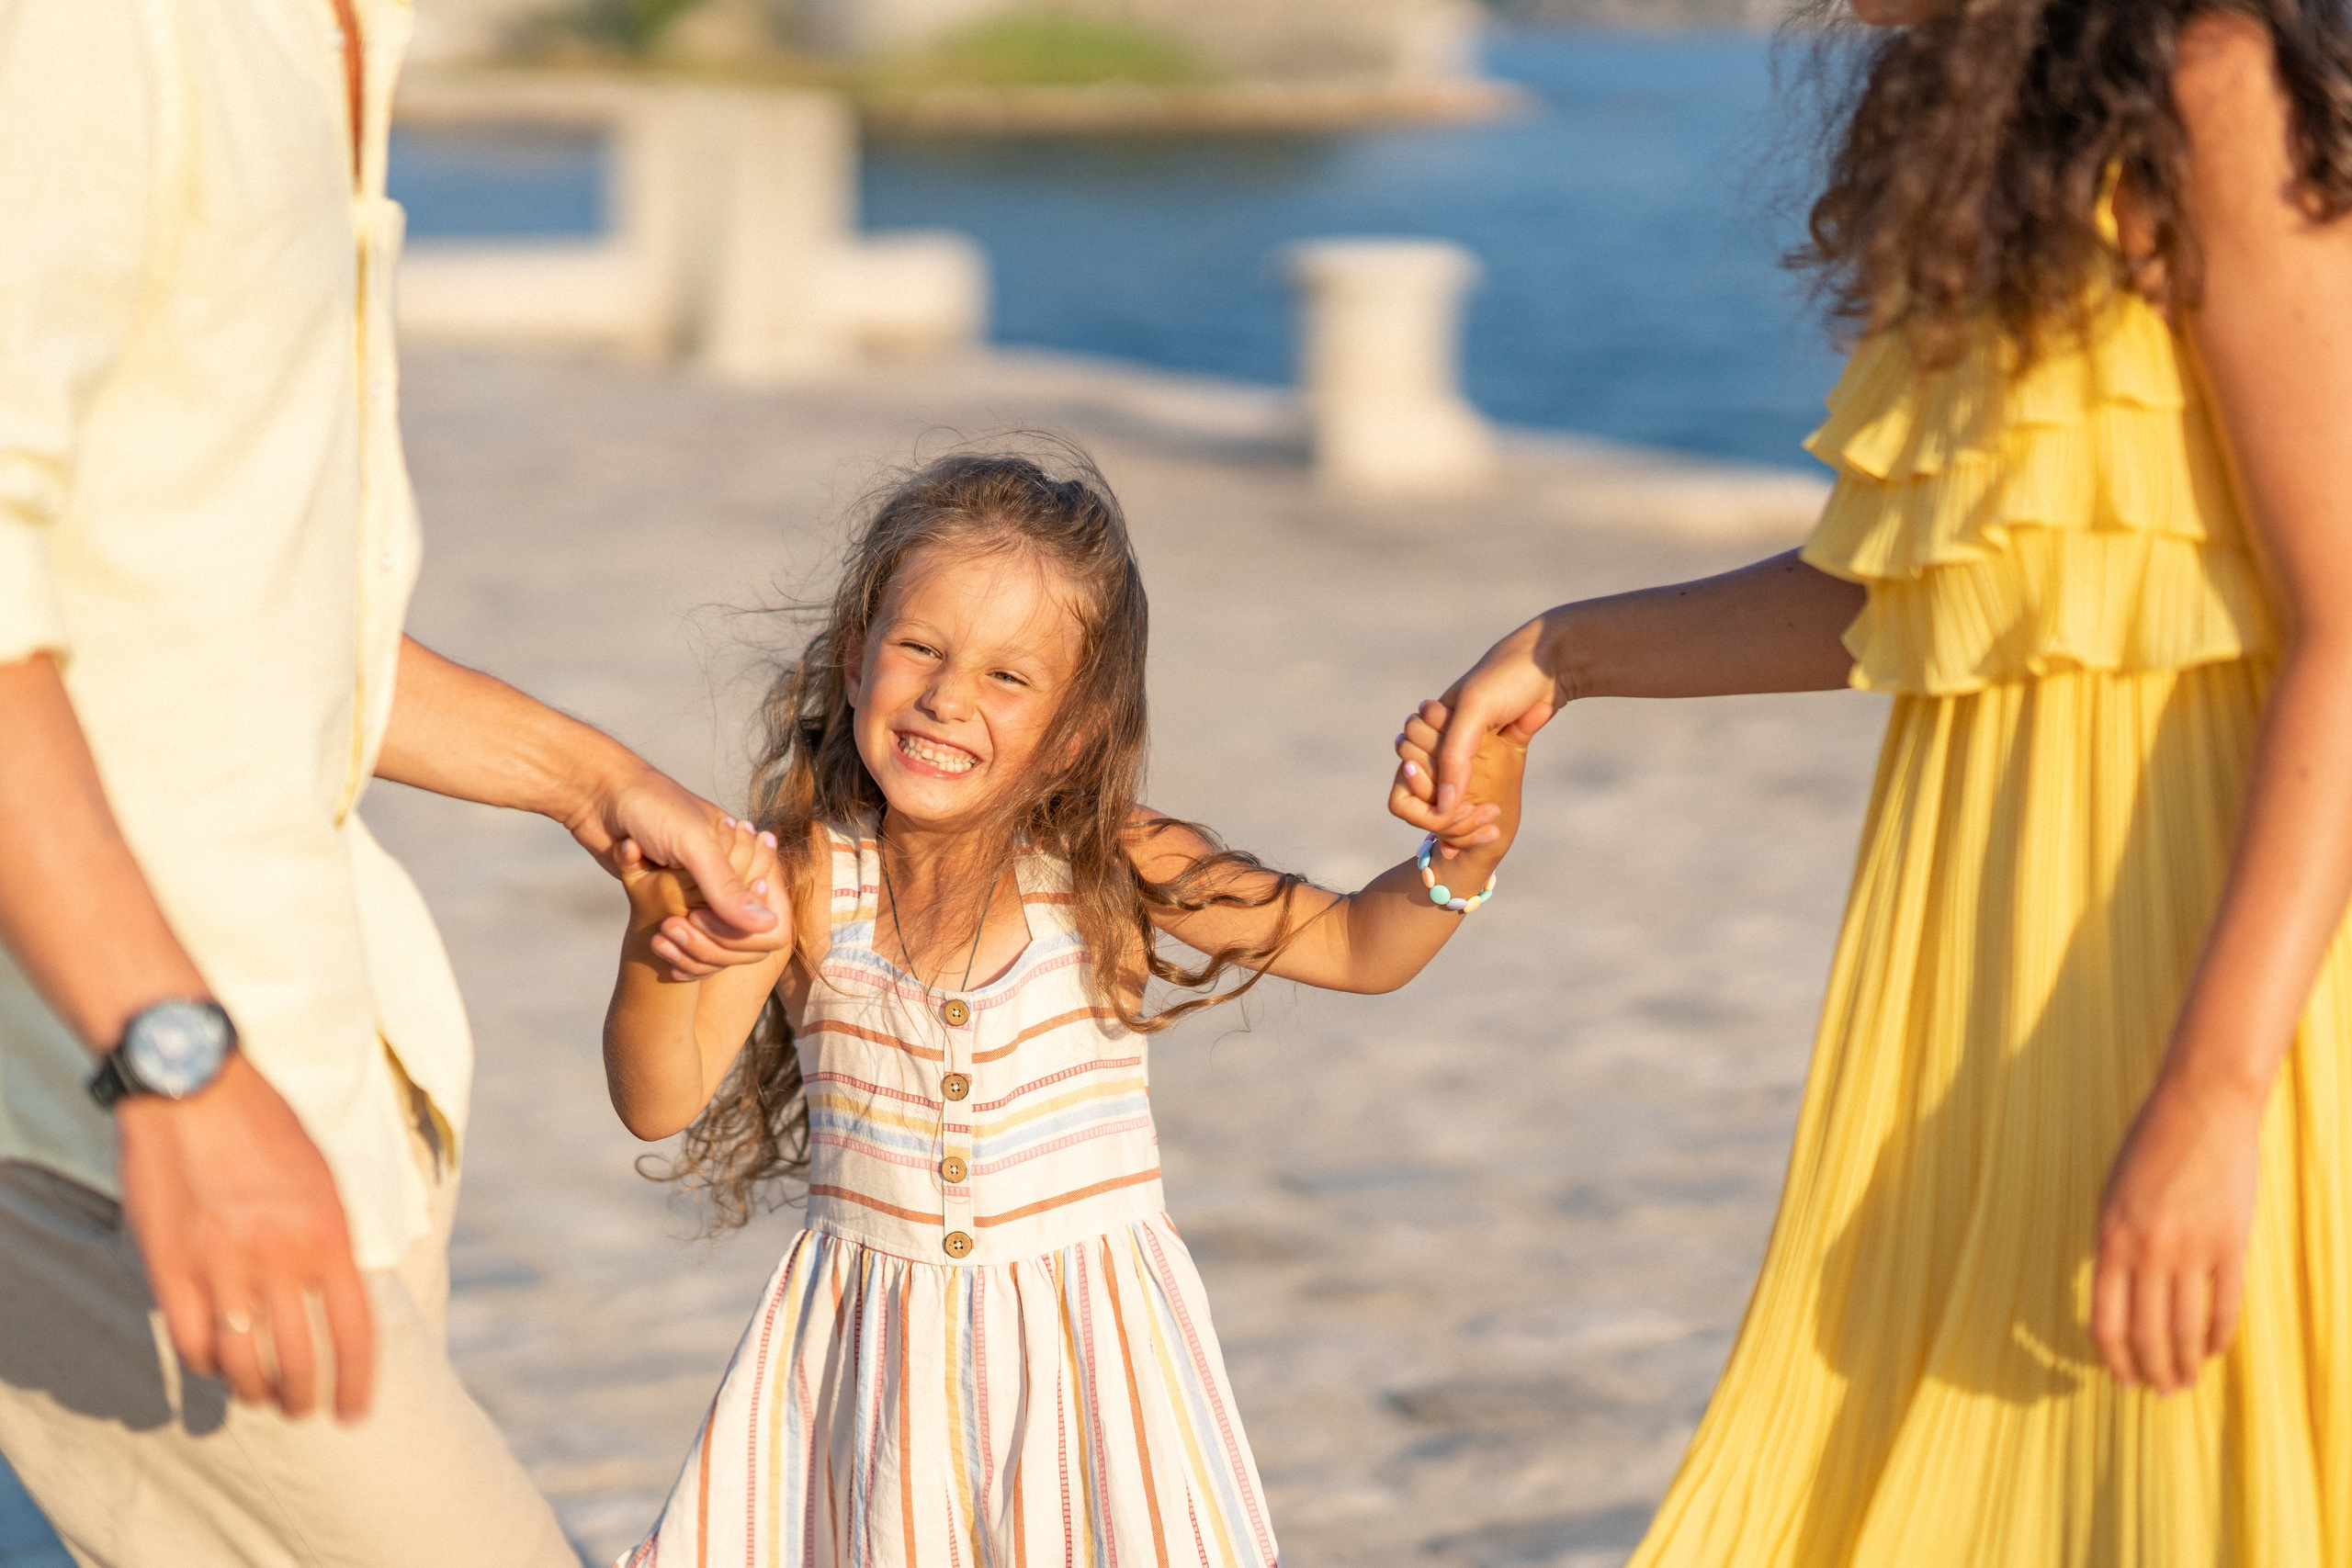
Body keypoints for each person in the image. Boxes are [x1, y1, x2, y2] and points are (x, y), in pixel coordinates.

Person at [1399, 0, 2352, 1561]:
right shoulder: (1994, 113)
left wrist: (2216, 1096)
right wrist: (1563, 652)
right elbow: (1929, 582)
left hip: (2227, 974)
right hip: (1989, 980)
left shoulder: (2220, 77)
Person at [0, 1, 782, 1562]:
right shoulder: (101, 30)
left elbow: (244, 618)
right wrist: (177, 1072)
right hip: (102, 1128)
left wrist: (589, 779)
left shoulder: (324, 38)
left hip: (326, 1099)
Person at [598, 451, 1533, 1567]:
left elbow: (1359, 946)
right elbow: (658, 1100)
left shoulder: (1114, 862)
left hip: (1089, 1374)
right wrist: (656, 940)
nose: (948, 698)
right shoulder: (802, 882)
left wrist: (1465, 853)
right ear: (855, 662)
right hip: (867, 1381)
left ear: (1080, 727)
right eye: (920, 648)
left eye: (1009, 677)